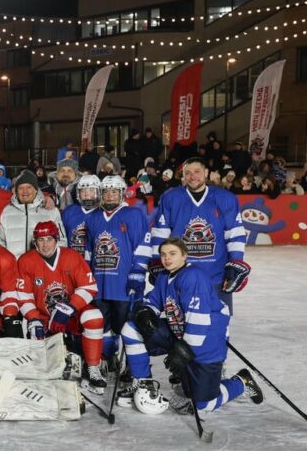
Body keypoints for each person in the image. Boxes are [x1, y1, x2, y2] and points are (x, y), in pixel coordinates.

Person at [117, 237, 262, 415]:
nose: (166, 258)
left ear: (184, 256)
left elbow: (199, 319)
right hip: (179, 334)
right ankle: (143, 384)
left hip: (207, 340)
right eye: (163, 254)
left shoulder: (194, 277)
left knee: (204, 404)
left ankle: (242, 382)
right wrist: (145, 312)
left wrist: (185, 352)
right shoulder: (164, 276)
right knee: (131, 329)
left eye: (172, 254)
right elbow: (153, 300)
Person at [16, 221, 107, 394]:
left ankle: (93, 367)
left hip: (72, 315)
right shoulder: (26, 261)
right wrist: (34, 319)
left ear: (56, 239)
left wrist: (67, 310)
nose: (45, 245)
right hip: (44, 319)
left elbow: (89, 288)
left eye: (49, 239)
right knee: (43, 367)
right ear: (35, 241)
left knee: (94, 316)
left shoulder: (71, 256)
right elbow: (23, 296)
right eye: (40, 240)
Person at [149, 157, 248, 310]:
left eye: (197, 172)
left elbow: (234, 234)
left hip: (216, 276)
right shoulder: (170, 198)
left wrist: (236, 263)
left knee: (217, 324)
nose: (192, 176)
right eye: (187, 173)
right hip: (179, 275)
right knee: (180, 326)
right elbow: (160, 234)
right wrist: (157, 261)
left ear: (206, 173)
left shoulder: (225, 198)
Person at [85, 175, 153, 371]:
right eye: (106, 192)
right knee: (104, 326)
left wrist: (137, 275)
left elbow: (143, 246)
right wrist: (86, 278)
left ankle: (132, 366)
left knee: (128, 327)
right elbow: (89, 252)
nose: (110, 196)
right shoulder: (93, 218)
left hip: (124, 285)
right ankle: (108, 357)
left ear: (122, 194)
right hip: (100, 285)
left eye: (114, 192)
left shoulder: (133, 214)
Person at [0, 170, 66, 258]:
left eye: (29, 187)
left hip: (42, 267)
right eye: (21, 188)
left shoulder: (50, 210)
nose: (25, 191)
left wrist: (51, 263)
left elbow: (61, 240)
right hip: (14, 267)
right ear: (16, 191)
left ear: (36, 190)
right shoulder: (7, 211)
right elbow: (1, 242)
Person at [61, 174, 101, 256]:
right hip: (72, 261)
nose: (86, 194)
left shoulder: (103, 213)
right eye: (83, 191)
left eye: (91, 190)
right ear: (78, 193)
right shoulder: (69, 212)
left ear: (99, 191)